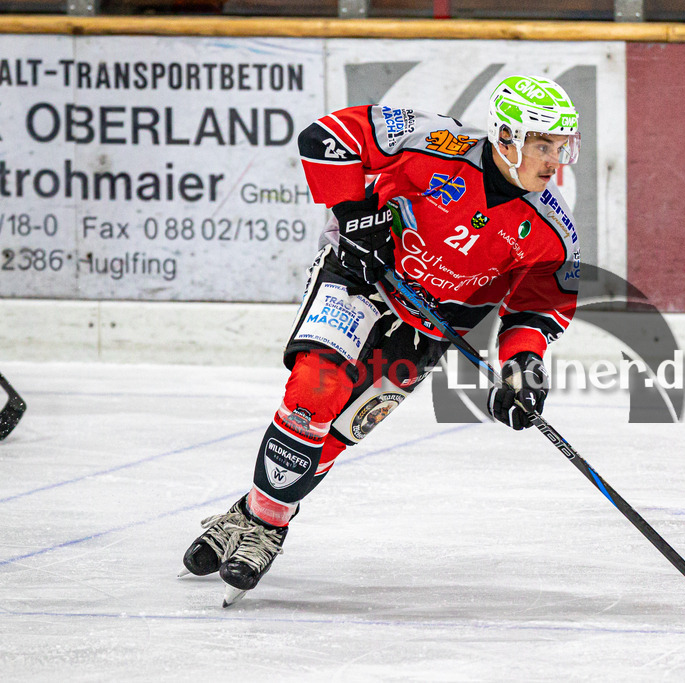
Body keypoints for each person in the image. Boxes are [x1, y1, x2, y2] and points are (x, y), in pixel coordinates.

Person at [179, 75, 583, 602]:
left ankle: (255, 514)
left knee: (340, 429)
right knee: (316, 390)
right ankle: (268, 527)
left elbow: (536, 307)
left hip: (427, 329)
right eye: (542, 144)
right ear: (507, 137)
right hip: (360, 279)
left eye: (561, 147)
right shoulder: (435, 142)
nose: (553, 161)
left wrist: (522, 368)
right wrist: (353, 216)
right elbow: (325, 138)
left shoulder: (554, 231)